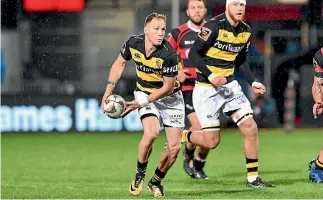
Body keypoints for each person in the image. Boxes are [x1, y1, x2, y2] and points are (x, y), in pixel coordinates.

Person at [181, 0, 275, 187]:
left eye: (242, 4)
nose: (239, 8)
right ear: (227, 6)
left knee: (250, 127)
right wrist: (212, 75)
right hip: (206, 89)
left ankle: (253, 179)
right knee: (212, 141)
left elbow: (240, 60)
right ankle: (183, 136)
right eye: (235, 4)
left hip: (229, 87)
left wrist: (253, 81)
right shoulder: (214, 26)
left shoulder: (245, 31)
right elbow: (194, 54)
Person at [101, 13, 184, 197]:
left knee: (174, 149)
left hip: (170, 98)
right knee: (152, 133)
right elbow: (119, 63)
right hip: (144, 92)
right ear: (146, 30)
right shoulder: (133, 43)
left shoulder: (168, 54)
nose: (161, 33)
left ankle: (155, 181)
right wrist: (108, 91)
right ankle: (140, 173)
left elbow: (168, 87)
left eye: (163, 29)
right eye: (156, 28)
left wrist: (141, 103)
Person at [167, 0, 210, 179]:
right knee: (200, 129)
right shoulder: (178, 33)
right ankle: (189, 157)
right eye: (193, 7)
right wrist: (177, 71)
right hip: (188, 88)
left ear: (205, 10)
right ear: (188, 11)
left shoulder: (213, 31)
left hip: (208, 88)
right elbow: (165, 56)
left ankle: (197, 164)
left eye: (200, 7)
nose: (197, 11)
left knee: (209, 135)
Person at [308, 47, 323, 183]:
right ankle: (318, 167)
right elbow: (318, 83)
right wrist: (319, 101)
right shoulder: (321, 56)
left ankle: (318, 165)